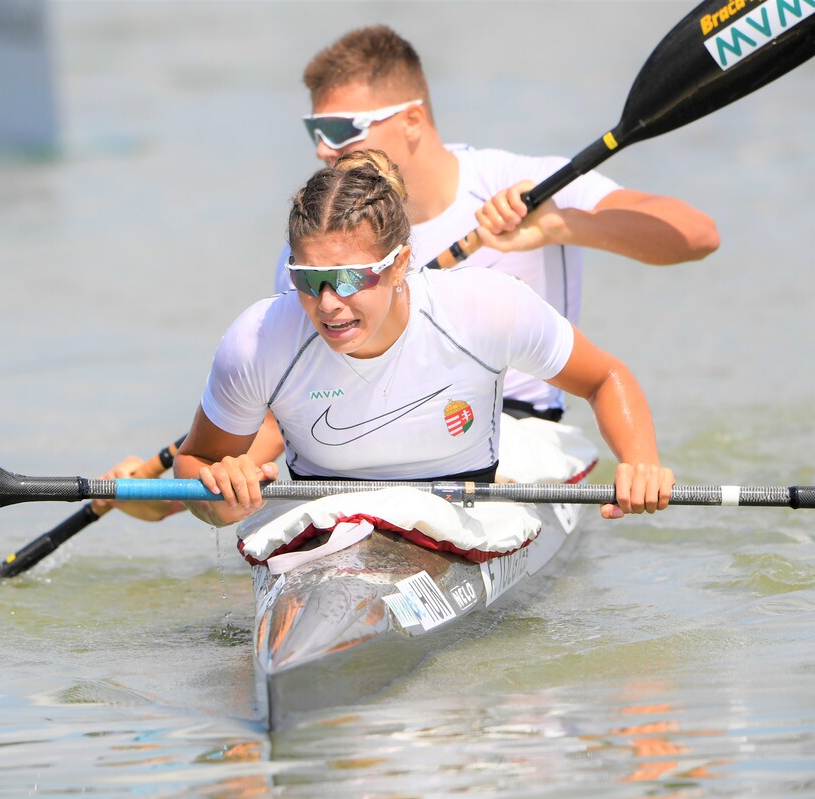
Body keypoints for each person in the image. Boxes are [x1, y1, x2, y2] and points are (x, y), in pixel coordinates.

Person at [174, 150, 674, 527]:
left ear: (399, 266)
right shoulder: (258, 339)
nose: (326, 302)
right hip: (327, 522)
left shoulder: (485, 308)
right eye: (306, 279)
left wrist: (641, 463)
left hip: (466, 515)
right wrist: (219, 499)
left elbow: (605, 378)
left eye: (350, 278)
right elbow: (193, 462)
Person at [276, 25, 719, 421]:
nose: (322, 151)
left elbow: (697, 234)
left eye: (339, 131)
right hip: (385, 428)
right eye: (314, 132)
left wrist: (563, 227)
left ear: (412, 121)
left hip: (523, 429)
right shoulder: (318, 250)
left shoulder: (520, 184)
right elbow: (294, 375)